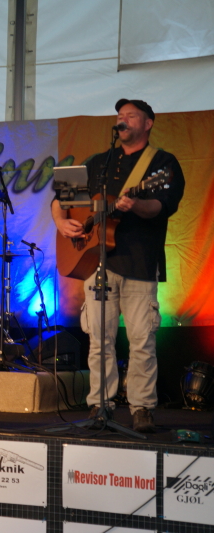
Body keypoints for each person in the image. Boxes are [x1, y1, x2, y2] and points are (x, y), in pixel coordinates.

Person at [52, 98, 185, 433]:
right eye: (120, 116)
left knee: (141, 340)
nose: (122, 120)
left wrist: (135, 204)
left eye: (131, 116)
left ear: (148, 123)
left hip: (140, 261)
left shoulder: (163, 163)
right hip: (97, 262)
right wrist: (61, 222)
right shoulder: (99, 161)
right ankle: (100, 404)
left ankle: (142, 408)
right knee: (100, 340)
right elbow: (61, 198)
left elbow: (159, 207)